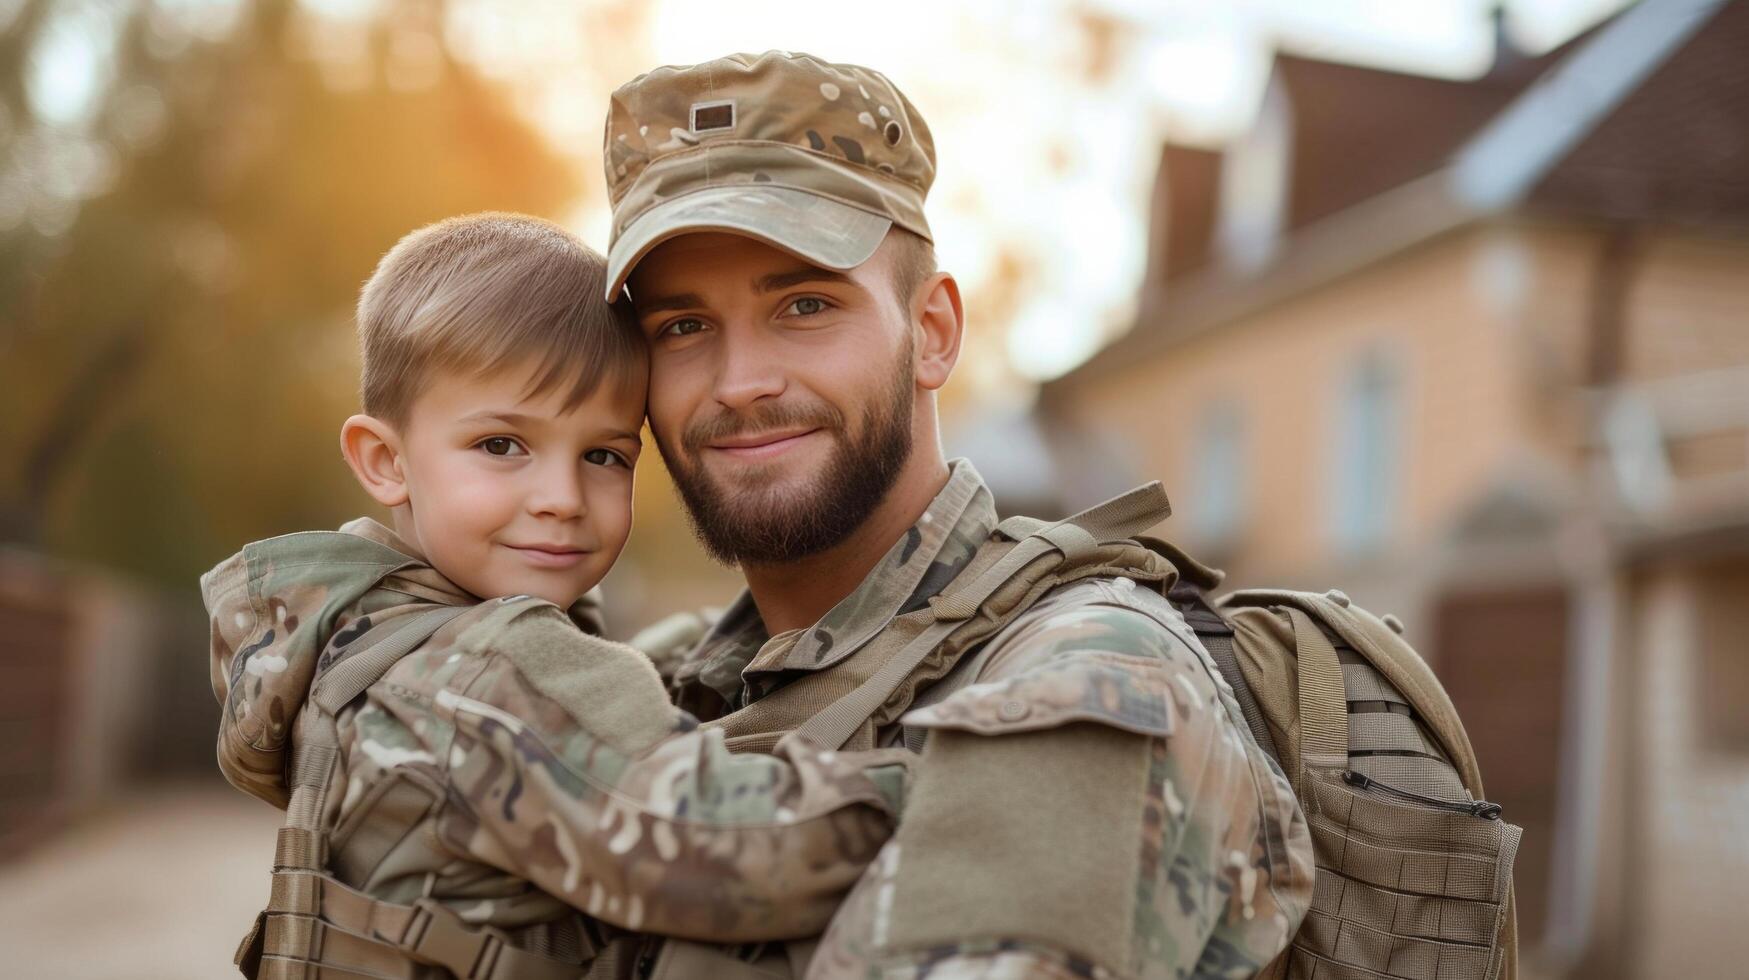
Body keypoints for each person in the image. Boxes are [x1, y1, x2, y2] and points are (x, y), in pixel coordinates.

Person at [602, 51, 1316, 977]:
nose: (741, 383)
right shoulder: (670, 684)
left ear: (932, 332)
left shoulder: (1090, 682)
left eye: (805, 304)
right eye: (682, 327)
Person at [202, 213, 911, 979]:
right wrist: (934, 776)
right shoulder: (494, 669)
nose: (561, 498)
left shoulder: (355, 646)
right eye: (501, 446)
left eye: (604, 455)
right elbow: (736, 854)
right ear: (385, 460)